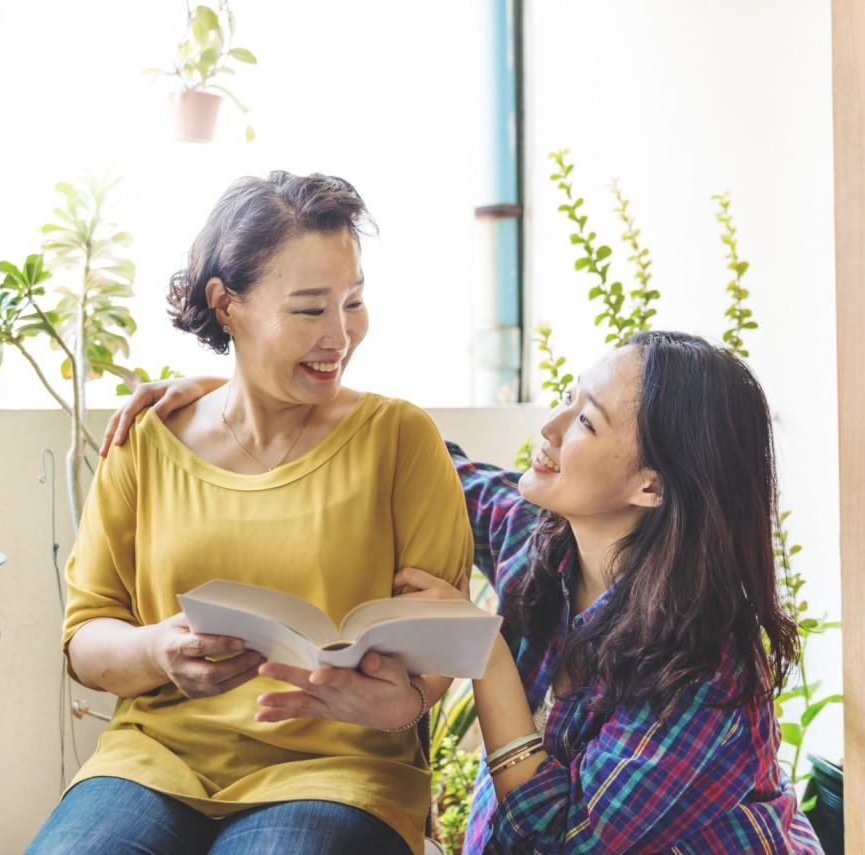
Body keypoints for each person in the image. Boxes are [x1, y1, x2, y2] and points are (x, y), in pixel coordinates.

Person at [104, 331, 823, 852]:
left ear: (652, 484)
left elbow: (562, 836)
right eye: (569, 399)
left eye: (585, 421)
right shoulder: (535, 535)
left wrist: (483, 650)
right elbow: (410, 455)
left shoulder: (712, 673)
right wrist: (231, 395)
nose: (548, 427)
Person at [25, 171, 474, 855]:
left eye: (352, 302)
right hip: (152, 763)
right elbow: (86, 639)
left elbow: (439, 642)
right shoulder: (148, 440)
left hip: (339, 774)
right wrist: (157, 651)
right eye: (308, 309)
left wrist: (407, 700)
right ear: (226, 304)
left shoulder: (399, 439)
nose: (339, 335)